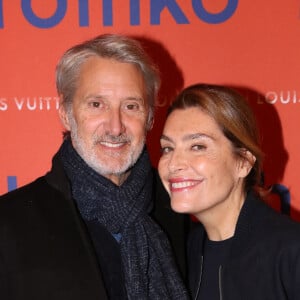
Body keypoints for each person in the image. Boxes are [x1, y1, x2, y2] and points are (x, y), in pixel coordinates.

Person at [0, 34, 189, 300]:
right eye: (97, 105)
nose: (115, 126)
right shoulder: (9, 224)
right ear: (66, 113)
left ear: (149, 117)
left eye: (131, 106)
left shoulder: (180, 210)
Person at [158, 83, 300, 300]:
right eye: (167, 148)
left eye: (198, 146)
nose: (173, 163)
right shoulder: (184, 250)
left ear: (243, 162)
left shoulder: (290, 250)